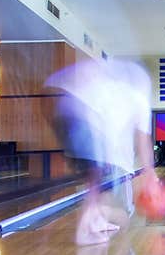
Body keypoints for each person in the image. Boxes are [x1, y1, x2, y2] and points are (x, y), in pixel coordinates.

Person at [46, 57, 159, 245]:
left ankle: (97, 218)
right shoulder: (140, 94)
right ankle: (85, 228)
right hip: (83, 119)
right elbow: (142, 139)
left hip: (62, 106)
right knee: (98, 176)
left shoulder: (114, 79)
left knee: (97, 178)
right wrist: (150, 173)